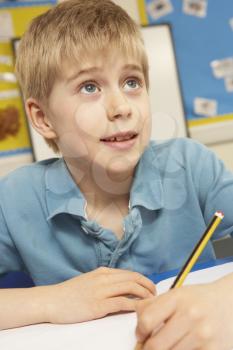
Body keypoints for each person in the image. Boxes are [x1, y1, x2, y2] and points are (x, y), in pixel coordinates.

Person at [0, 1, 233, 348]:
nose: (122, 107)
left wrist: (224, 300)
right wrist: (52, 300)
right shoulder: (17, 196)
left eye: (131, 82)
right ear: (43, 118)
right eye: (89, 87)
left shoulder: (191, 165)